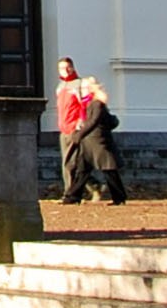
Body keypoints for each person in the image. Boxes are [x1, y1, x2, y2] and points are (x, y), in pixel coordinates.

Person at [53, 56, 125, 204]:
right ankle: (74, 195)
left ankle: (73, 194)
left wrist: (79, 132)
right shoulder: (63, 88)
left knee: (104, 169)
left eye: (68, 67)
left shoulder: (94, 102)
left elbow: (94, 120)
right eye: (62, 68)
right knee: (81, 168)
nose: (65, 71)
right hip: (84, 137)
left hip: (94, 139)